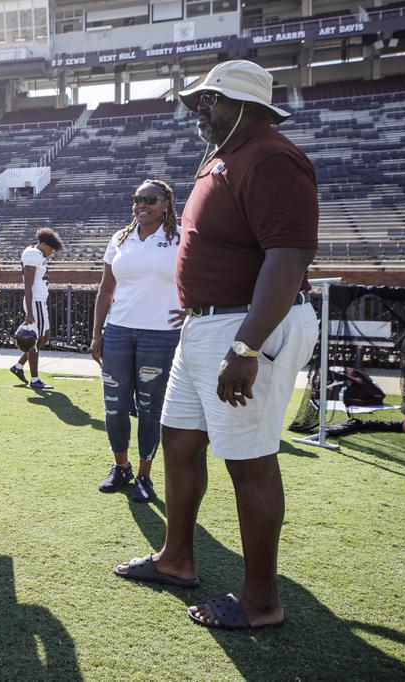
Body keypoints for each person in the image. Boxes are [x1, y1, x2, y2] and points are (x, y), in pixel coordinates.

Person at [113, 60, 320, 631]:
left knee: (249, 461)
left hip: (245, 329)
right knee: (178, 439)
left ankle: (261, 601)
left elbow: (289, 255)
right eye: (197, 101)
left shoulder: (271, 156)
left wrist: (246, 347)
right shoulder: (228, 155)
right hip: (208, 326)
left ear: (247, 105)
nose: (199, 110)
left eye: (211, 100)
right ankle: (176, 558)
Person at [90, 180, 183, 504]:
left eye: (149, 200)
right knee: (114, 408)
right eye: (136, 199)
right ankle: (122, 468)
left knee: (149, 409)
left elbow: (202, 276)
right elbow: (106, 289)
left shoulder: (181, 238)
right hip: (118, 331)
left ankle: (144, 475)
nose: (141, 205)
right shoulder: (120, 238)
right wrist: (96, 332)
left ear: (166, 203)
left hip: (160, 335)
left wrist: (192, 309)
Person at [9, 228, 63, 390]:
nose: (51, 253)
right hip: (36, 301)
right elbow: (28, 285)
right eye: (51, 249)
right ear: (44, 244)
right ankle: (35, 379)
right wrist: (31, 312)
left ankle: (18, 366)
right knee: (35, 339)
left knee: (44, 337)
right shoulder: (33, 254)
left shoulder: (36, 254)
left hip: (39, 301)